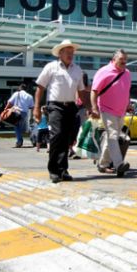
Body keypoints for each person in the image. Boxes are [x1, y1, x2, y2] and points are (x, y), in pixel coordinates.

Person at [33, 40, 86, 183]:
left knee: (66, 139)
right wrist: (36, 107)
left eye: (72, 52)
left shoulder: (77, 69)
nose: (70, 55)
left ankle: (63, 170)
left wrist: (89, 108)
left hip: (71, 106)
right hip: (55, 106)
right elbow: (40, 87)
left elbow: (81, 91)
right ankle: (53, 170)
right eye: (67, 52)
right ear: (60, 53)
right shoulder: (51, 67)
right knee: (57, 135)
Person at [90, 49, 132, 177]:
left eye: (125, 60)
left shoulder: (127, 73)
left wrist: (128, 104)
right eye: (121, 60)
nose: (124, 62)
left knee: (111, 138)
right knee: (113, 135)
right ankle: (119, 164)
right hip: (106, 109)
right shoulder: (104, 71)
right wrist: (94, 108)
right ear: (114, 59)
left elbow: (126, 91)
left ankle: (102, 164)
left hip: (121, 111)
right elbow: (94, 91)